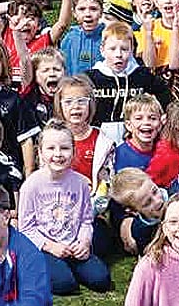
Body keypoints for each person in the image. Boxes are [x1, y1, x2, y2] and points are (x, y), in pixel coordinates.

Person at [16, 119, 110, 295]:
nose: (58, 154)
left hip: (73, 244)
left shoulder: (81, 183)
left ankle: (71, 266)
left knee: (101, 281)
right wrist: (51, 247)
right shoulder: (31, 185)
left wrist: (84, 242)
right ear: (41, 152)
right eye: (51, 148)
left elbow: (86, 220)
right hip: (46, 247)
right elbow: (26, 229)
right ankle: (43, 268)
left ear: (74, 151)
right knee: (65, 285)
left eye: (65, 148)